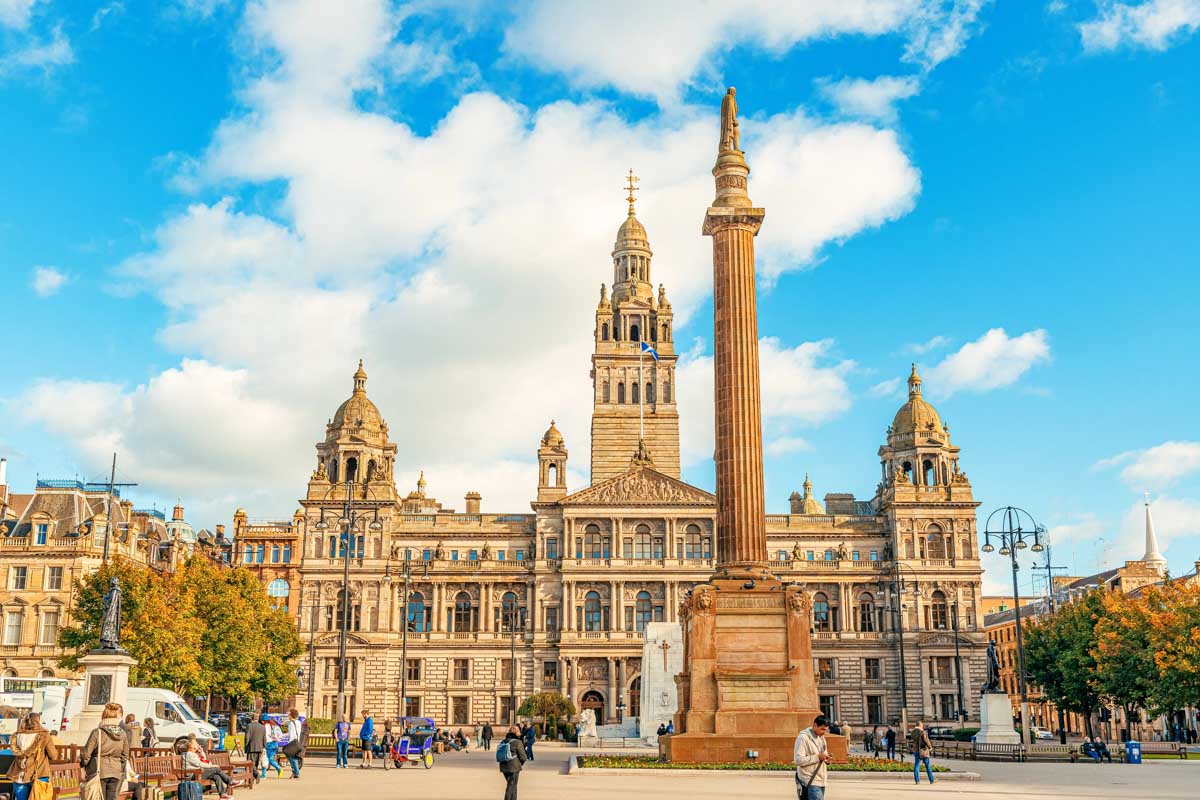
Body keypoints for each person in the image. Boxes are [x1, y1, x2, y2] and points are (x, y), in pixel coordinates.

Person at [81, 703, 131, 800]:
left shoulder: (97, 732)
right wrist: (120, 767)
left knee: (99, 797)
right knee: (111, 797)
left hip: (99, 770)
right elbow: (125, 755)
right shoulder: (122, 733)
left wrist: (84, 766)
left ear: (103, 716)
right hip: (115, 770)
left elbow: (86, 754)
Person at [9, 712, 58, 800]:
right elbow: (53, 756)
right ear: (38, 721)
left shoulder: (16, 735)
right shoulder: (44, 735)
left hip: (19, 775)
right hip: (39, 774)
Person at [793, 715, 832, 800]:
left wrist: (827, 760)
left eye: (826, 730)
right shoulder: (803, 738)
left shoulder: (821, 737)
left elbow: (823, 754)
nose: (824, 732)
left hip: (821, 780)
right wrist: (818, 757)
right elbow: (798, 760)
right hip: (810, 780)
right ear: (815, 725)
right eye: (822, 729)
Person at [497, 725, 528, 800]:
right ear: (516, 732)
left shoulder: (503, 741)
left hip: (504, 766)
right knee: (511, 786)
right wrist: (521, 764)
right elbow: (523, 757)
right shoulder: (518, 742)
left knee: (512, 785)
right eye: (519, 731)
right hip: (514, 767)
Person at [243, 714, 265, 785]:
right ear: (258, 719)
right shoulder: (262, 727)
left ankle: (256, 774)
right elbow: (264, 738)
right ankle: (251, 779)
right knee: (256, 764)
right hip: (259, 748)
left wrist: (246, 746)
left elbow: (247, 737)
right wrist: (264, 747)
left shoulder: (249, 726)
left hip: (251, 748)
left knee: (250, 764)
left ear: (252, 719)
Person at [284, 709, 303, 778]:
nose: (288, 716)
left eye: (289, 714)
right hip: (297, 741)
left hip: (292, 742)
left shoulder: (291, 723)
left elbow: (291, 734)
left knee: (291, 757)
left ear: (291, 715)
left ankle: (296, 772)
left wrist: (289, 743)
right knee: (293, 757)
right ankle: (295, 772)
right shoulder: (299, 722)